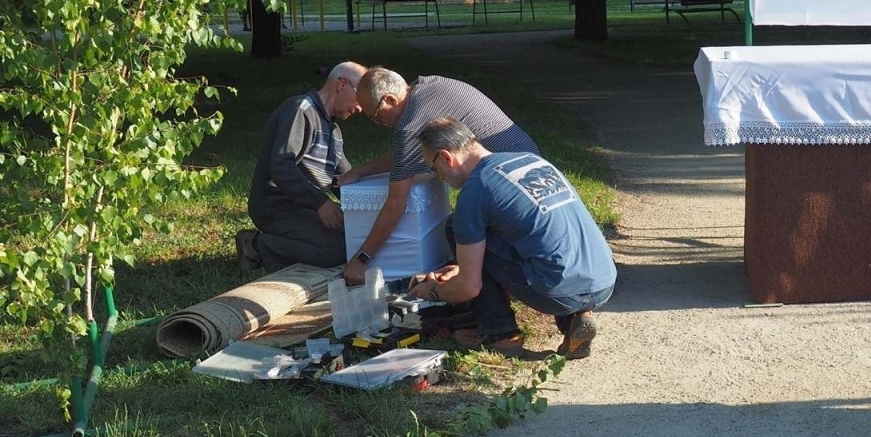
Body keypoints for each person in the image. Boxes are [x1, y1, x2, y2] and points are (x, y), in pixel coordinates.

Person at [408, 117, 615, 360]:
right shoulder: (529, 160)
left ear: (446, 157)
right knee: (548, 252)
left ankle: (501, 334)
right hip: (604, 281)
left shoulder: (476, 189)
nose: (438, 177)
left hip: (559, 292)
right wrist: (459, 267)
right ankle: (575, 319)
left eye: (433, 168)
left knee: (457, 227)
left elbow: (469, 287)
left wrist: (431, 292)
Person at [338, 68, 541, 288]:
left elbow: (396, 204)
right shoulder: (431, 84)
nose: (379, 124)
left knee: (458, 229)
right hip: (535, 169)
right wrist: (360, 171)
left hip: (510, 192)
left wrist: (361, 259)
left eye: (375, 116)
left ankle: (491, 313)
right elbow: (403, 155)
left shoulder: (410, 125)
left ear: (389, 99)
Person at [238, 61, 368, 271]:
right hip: (275, 207)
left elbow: (344, 179)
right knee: (339, 251)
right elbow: (281, 166)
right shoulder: (301, 111)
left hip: (305, 207)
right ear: (342, 84)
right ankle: (255, 245)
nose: (361, 108)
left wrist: (371, 207)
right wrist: (321, 204)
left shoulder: (332, 129)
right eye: (360, 97)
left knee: (357, 240)